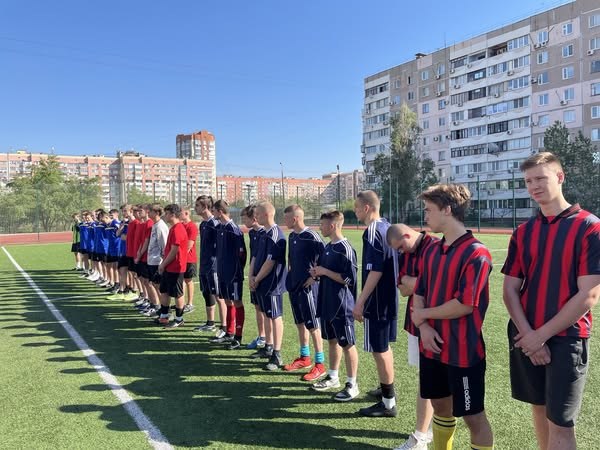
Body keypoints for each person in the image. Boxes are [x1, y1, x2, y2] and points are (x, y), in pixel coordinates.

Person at [501, 152, 600, 450]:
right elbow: (509, 290)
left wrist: (540, 336)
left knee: (561, 423)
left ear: (560, 177)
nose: (533, 186)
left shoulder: (590, 227)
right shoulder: (523, 232)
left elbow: (589, 294)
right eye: (528, 181)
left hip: (566, 339)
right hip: (526, 334)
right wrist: (529, 336)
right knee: (539, 409)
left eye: (540, 178)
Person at [410, 184, 494, 450]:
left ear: (447, 210)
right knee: (439, 406)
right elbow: (420, 290)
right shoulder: (432, 249)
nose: (425, 215)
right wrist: (424, 327)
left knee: (473, 416)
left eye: (429, 210)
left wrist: (422, 315)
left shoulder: (476, 253)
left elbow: (465, 305)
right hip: (431, 346)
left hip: (463, 352)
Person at [387, 223, 436, 450]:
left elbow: (436, 284)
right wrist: (417, 283)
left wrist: (414, 281)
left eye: (400, 246)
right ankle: (427, 431)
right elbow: (403, 288)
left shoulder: (435, 247)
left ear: (407, 235)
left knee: (430, 380)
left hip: (436, 323)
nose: (400, 252)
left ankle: (420, 437)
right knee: (427, 378)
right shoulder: (407, 252)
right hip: (416, 322)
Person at [352, 190, 398, 417]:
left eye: (357, 208)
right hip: (389, 299)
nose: (355, 212)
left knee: (380, 349)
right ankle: (385, 388)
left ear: (367, 208)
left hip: (377, 301)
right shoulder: (387, 226)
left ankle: (388, 403)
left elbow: (375, 270)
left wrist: (360, 302)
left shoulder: (372, 231)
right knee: (384, 348)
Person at [309, 211, 359, 401]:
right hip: (327, 302)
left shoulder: (345, 249)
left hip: (341, 305)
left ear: (332, 226)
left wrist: (324, 271)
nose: (320, 228)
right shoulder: (328, 247)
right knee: (332, 340)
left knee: (347, 344)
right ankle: (333, 377)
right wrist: (316, 272)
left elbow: (349, 279)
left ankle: (352, 384)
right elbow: (323, 271)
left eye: (322, 224)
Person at [283, 204, 326, 382]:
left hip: (308, 288)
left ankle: (320, 364)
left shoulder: (312, 236)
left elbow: (325, 258)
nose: (284, 221)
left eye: (286, 218)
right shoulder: (292, 235)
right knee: (300, 323)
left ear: (295, 219)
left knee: (313, 325)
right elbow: (291, 260)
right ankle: (304, 357)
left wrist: (315, 278)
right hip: (294, 286)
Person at [249, 201, 287, 371]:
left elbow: (270, 262)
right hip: (260, 282)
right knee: (266, 314)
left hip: (272, 285)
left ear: (266, 214)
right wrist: (251, 277)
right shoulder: (263, 233)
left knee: (275, 317)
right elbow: (256, 257)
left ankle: (277, 355)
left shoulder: (276, 235)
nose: (255, 217)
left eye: (257, 214)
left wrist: (256, 279)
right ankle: (268, 347)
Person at [211, 200, 247, 349]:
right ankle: (229, 332)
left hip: (233, 274)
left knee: (237, 302)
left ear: (220, 212)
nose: (212, 213)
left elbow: (242, 254)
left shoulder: (234, 229)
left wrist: (237, 270)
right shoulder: (220, 227)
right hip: (222, 272)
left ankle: (238, 337)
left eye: (214, 211)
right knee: (227, 301)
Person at [192, 195, 226, 333]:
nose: (195, 208)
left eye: (197, 205)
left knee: (219, 296)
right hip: (204, 266)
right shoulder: (203, 224)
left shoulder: (215, 224)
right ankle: (210, 322)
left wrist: (217, 263)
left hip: (213, 266)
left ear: (205, 207)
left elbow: (221, 247)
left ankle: (224, 326)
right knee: (207, 293)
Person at [156, 204, 188, 328]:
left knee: (177, 294)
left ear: (173, 215)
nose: (165, 215)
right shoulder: (173, 228)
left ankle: (179, 319)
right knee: (164, 291)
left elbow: (174, 251)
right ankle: (164, 316)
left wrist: (163, 264)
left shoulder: (178, 229)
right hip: (169, 266)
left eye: (167, 213)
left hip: (176, 267)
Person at [240, 205, 266, 350]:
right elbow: (253, 256)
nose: (243, 221)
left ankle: (268, 339)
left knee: (266, 309)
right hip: (254, 275)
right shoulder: (252, 233)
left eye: (245, 218)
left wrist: (258, 277)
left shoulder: (265, 233)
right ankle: (262, 336)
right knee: (257, 307)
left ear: (254, 218)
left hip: (264, 276)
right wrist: (251, 276)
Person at [141, 204, 169, 317]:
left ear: (157, 213)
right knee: (155, 285)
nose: (148, 213)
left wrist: (162, 262)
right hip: (152, 260)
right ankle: (161, 309)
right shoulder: (155, 225)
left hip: (158, 261)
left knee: (159, 287)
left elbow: (164, 245)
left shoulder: (160, 226)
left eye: (151, 211)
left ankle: (164, 310)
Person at [181, 206, 199, 313]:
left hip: (189, 258)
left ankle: (190, 303)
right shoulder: (181, 225)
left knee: (188, 280)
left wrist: (182, 255)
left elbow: (189, 244)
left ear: (187, 213)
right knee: (182, 280)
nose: (179, 214)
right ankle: (182, 303)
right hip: (182, 258)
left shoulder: (192, 226)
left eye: (181, 213)